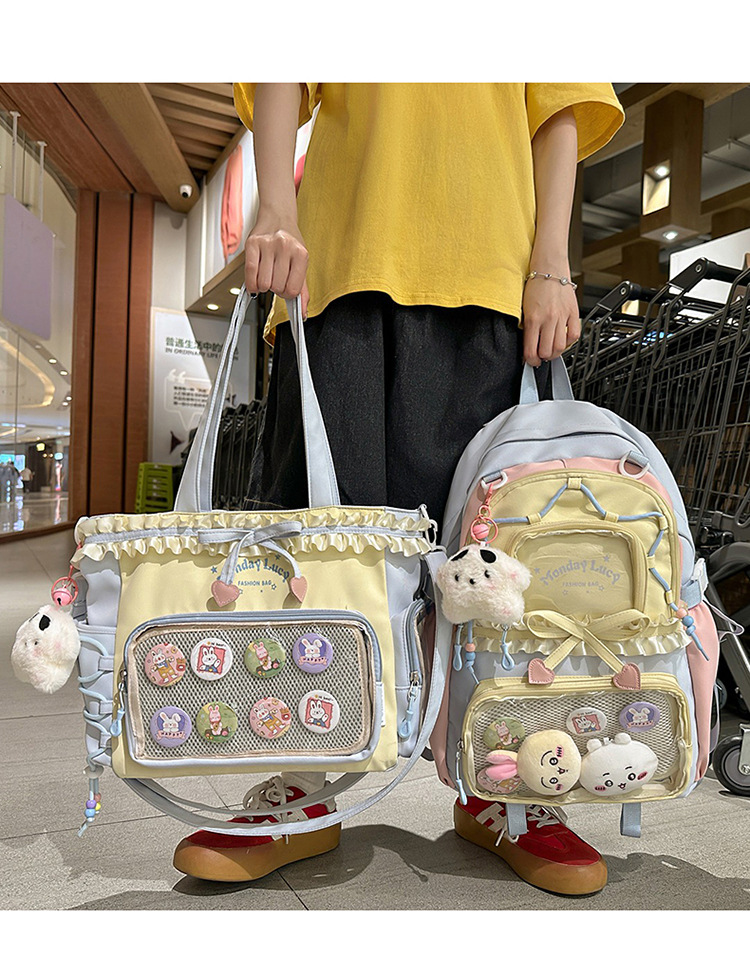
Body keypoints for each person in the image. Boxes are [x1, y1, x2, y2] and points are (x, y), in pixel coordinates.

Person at [173, 83, 625, 894]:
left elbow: (558, 101)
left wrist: (552, 262)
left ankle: (506, 784)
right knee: (313, 549)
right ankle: (301, 787)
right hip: (338, 263)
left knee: (494, 560)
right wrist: (276, 201)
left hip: (491, 272)